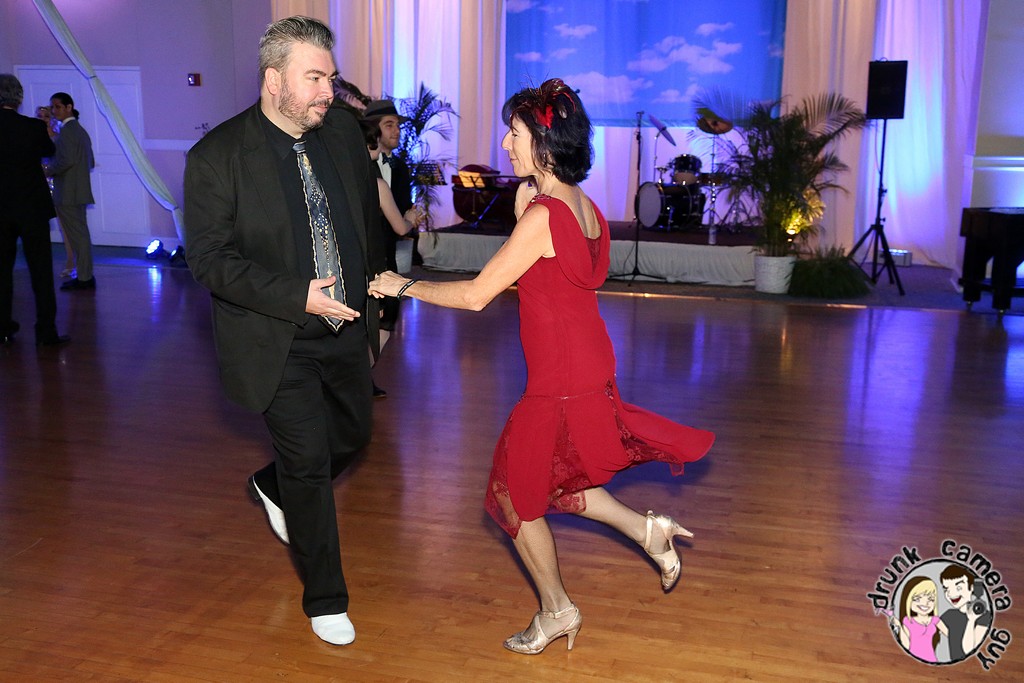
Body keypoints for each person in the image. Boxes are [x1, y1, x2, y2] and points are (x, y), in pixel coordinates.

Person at [369, 78, 714, 654]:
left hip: (560, 381)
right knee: (556, 478)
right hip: (588, 365)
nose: (505, 143)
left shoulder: (543, 215)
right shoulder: (584, 206)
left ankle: (557, 610)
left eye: (515, 133)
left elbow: (477, 295)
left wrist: (403, 285)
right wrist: (530, 189)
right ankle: (647, 530)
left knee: (514, 494)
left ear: (546, 142)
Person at [183, 16, 385, 646]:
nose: (329, 91)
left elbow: (363, 224)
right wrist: (297, 295)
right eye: (315, 78)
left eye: (330, 77)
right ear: (274, 81)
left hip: (346, 326)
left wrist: (377, 300)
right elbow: (209, 261)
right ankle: (325, 598)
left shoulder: (342, 134)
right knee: (307, 466)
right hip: (278, 337)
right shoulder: (217, 157)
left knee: (353, 437)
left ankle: (269, 485)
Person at [0, 73, 70, 347]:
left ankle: (3, 327)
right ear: (19, 98)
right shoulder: (32, 127)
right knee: (40, 271)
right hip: (32, 207)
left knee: (2, 272)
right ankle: (45, 331)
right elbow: (49, 150)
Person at [361, 99, 414, 398]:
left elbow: (402, 209)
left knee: (386, 319)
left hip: (387, 255)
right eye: (389, 124)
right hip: (370, 258)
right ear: (373, 131)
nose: (396, 131)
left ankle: (360, 379)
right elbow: (401, 222)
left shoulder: (400, 168)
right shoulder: (359, 171)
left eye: (397, 125)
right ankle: (356, 380)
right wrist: (408, 221)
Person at [47, 92, 96, 291]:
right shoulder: (80, 131)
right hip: (78, 191)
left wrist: (48, 170)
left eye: (57, 106)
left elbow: (65, 160)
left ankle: (84, 278)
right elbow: (90, 161)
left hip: (68, 192)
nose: (54, 111)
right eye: (53, 107)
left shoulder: (67, 131)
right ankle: (85, 275)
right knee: (81, 235)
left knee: (78, 237)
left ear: (69, 107)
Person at [35, 105, 74, 278]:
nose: (43, 119)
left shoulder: (58, 138)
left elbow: (64, 161)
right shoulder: (33, 137)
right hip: (37, 185)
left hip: (57, 184)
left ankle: (71, 261)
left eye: (46, 116)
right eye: (39, 116)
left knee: (65, 225)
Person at [889, 576, 948, 662]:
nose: (925, 603)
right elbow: (906, 645)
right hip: (912, 659)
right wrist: (899, 626)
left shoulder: (935, 620)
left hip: (931, 659)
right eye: (917, 599)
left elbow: (951, 635)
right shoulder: (908, 621)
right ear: (908, 600)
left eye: (931, 599)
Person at [939, 565, 991, 661]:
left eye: (958, 588)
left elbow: (969, 650)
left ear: (971, 587)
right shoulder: (949, 615)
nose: (951, 594)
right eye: (946, 589)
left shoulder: (984, 616)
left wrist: (971, 620)